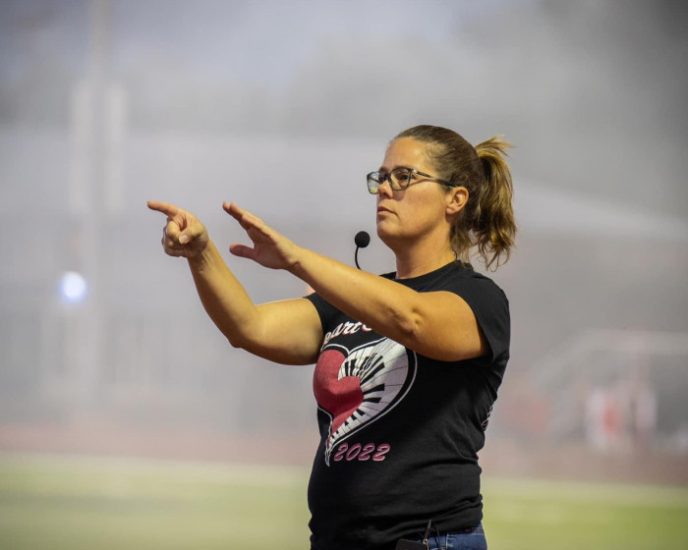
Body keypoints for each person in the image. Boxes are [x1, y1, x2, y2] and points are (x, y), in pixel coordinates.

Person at [148, 124, 515, 550]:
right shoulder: (352, 300)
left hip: (430, 541)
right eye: (381, 177)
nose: (384, 189)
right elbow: (248, 327)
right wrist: (201, 253)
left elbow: (411, 319)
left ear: (455, 199)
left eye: (404, 177)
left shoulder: (478, 299)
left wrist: (296, 259)